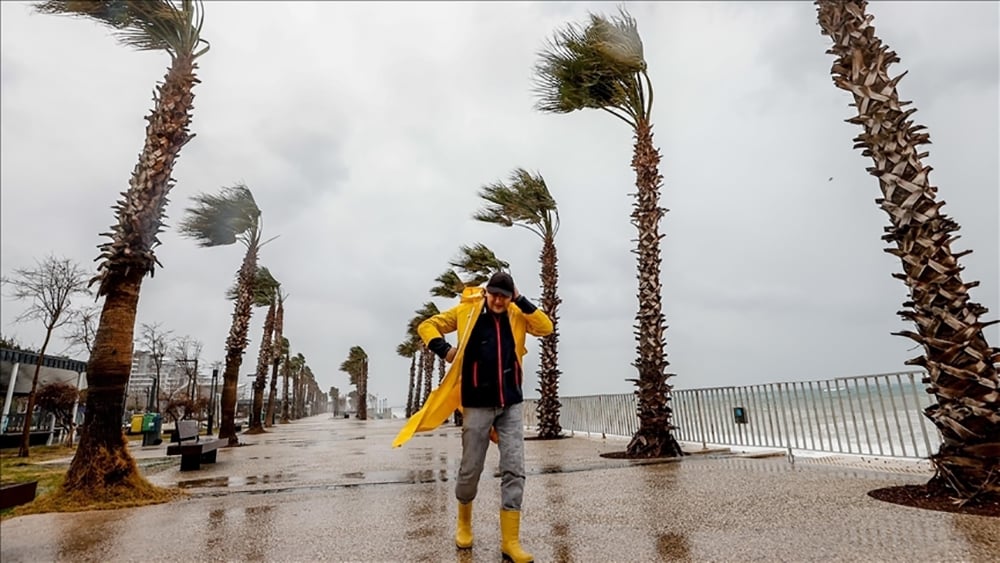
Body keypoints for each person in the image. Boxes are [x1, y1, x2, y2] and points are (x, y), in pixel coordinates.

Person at [394, 271, 552, 563]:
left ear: (510, 295)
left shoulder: (516, 312)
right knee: (470, 469)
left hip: (511, 404)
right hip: (476, 404)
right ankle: (464, 523)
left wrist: (520, 299)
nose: (498, 300)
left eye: (504, 296)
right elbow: (428, 325)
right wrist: (445, 350)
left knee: (514, 468)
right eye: (494, 294)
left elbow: (546, 327)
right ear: (486, 292)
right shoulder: (467, 312)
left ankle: (510, 541)